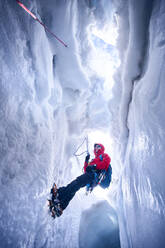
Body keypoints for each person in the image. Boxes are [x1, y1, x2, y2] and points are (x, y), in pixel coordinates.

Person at [49, 143, 111, 217]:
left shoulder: (103, 155)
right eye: (95, 147)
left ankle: (59, 195)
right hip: (90, 176)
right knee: (75, 185)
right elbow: (86, 170)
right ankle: (60, 207)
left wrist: (94, 166)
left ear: (102, 148)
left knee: (76, 183)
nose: (96, 148)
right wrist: (86, 161)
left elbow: (106, 163)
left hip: (94, 176)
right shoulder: (94, 159)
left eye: (98, 147)